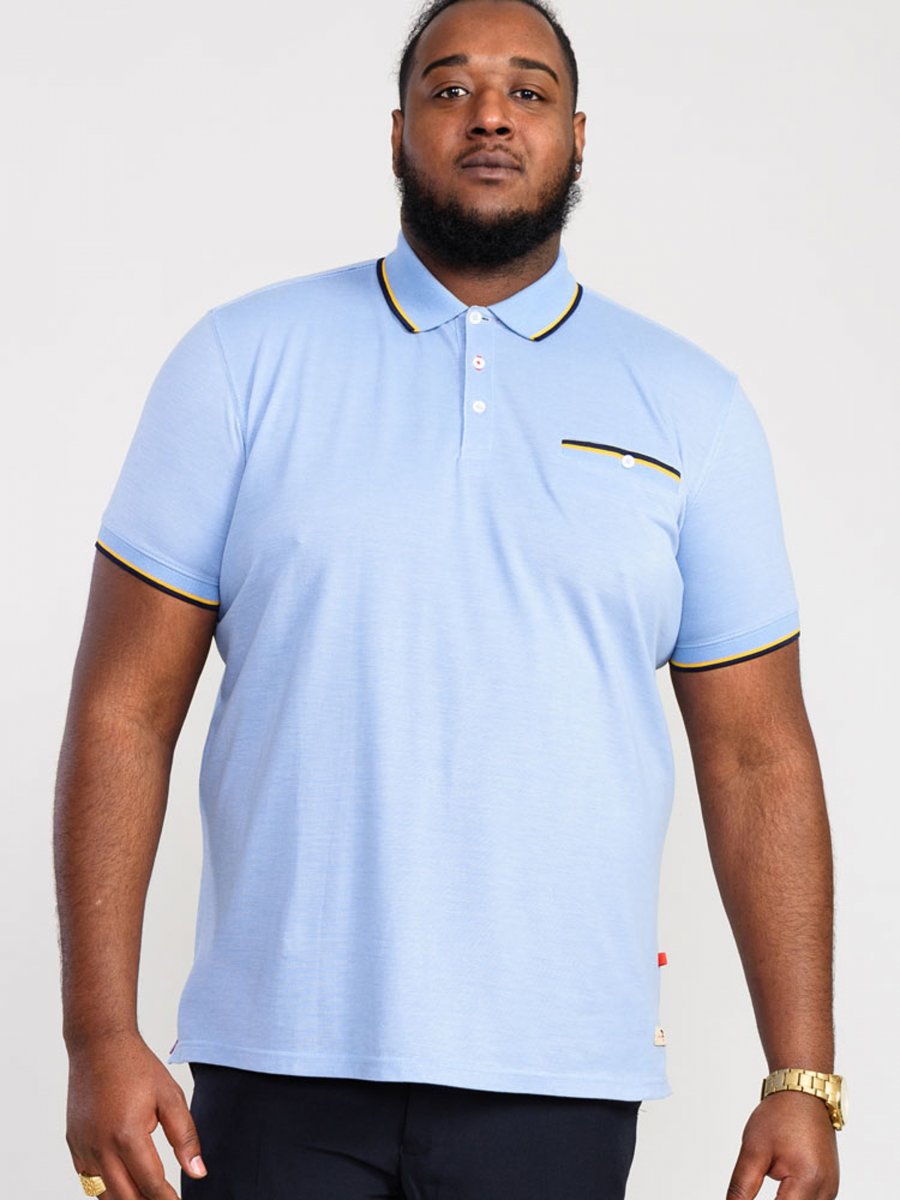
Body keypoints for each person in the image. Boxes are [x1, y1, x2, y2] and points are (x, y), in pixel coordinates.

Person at [54, 1, 843, 1197]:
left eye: (528, 91)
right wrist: (97, 1035)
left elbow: (758, 757)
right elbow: (124, 708)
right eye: (450, 87)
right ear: (396, 131)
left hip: (560, 1080)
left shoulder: (694, 406)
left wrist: (803, 1077)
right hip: (276, 1064)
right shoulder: (239, 362)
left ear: (578, 137)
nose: (489, 116)